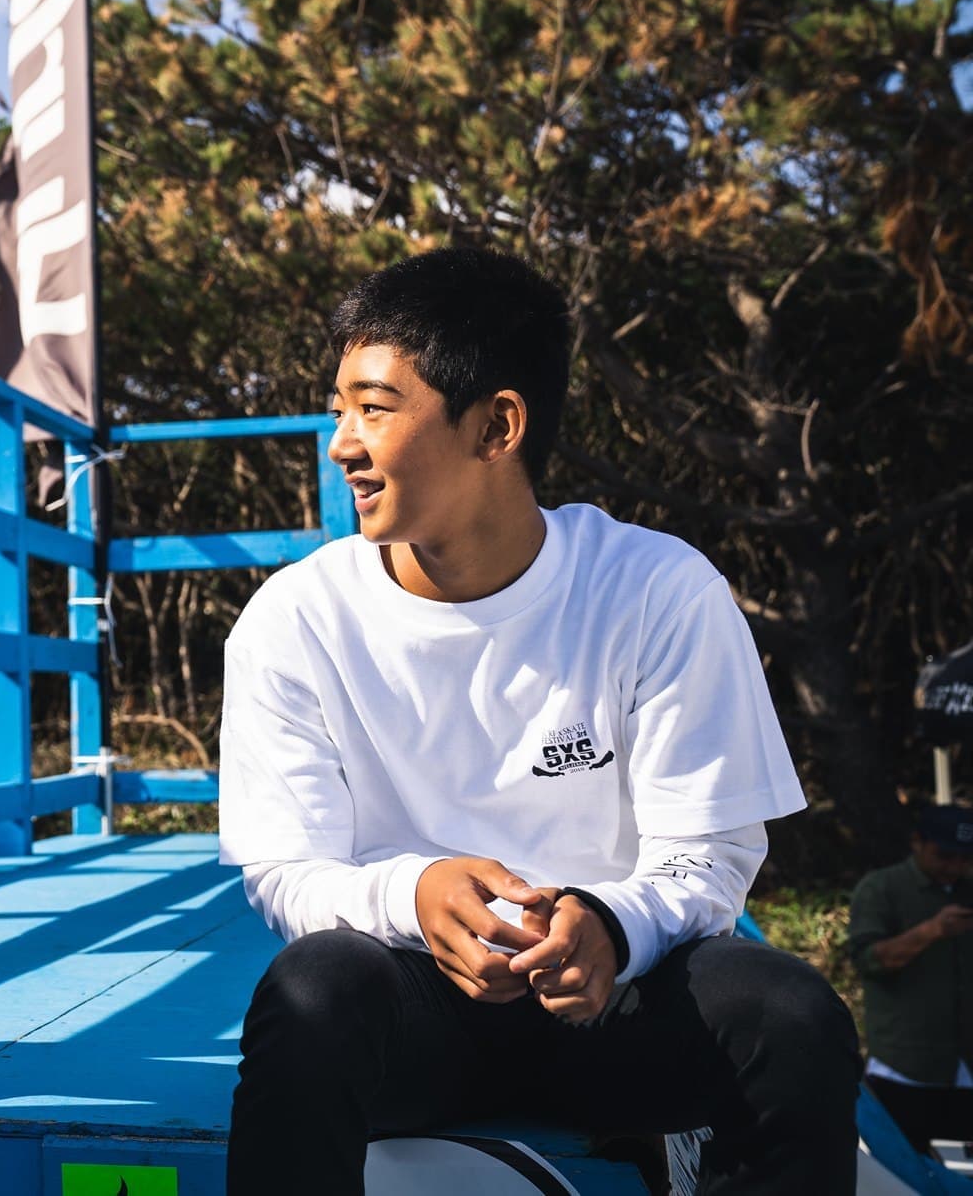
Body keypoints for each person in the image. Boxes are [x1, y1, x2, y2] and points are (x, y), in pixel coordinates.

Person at [218, 248, 858, 1194]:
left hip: (617, 1001)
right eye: (338, 408)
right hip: (414, 1010)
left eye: (374, 408)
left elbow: (710, 852)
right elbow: (286, 871)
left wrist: (612, 922)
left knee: (794, 1016)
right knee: (311, 993)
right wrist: (414, 892)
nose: (340, 444)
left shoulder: (657, 589)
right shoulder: (295, 618)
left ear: (497, 426)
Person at [848, 804, 973, 1156]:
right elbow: (868, 961)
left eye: (965, 859)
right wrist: (933, 930)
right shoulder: (882, 888)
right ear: (918, 842)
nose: (954, 867)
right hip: (904, 1067)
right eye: (944, 855)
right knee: (905, 1167)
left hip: (965, 1065)